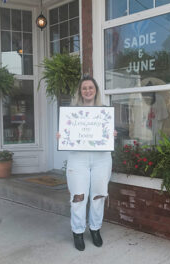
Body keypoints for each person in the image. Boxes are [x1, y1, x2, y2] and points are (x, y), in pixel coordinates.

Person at [56, 76, 116, 251]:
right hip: (78, 159)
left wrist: (112, 135)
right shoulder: (72, 112)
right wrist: (61, 136)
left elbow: (109, 133)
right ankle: (78, 231)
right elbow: (65, 133)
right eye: (84, 88)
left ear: (96, 90)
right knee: (78, 197)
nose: (88, 91)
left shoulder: (104, 111)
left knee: (99, 195)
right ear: (80, 91)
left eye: (91, 87)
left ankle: (95, 229)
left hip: (101, 158)